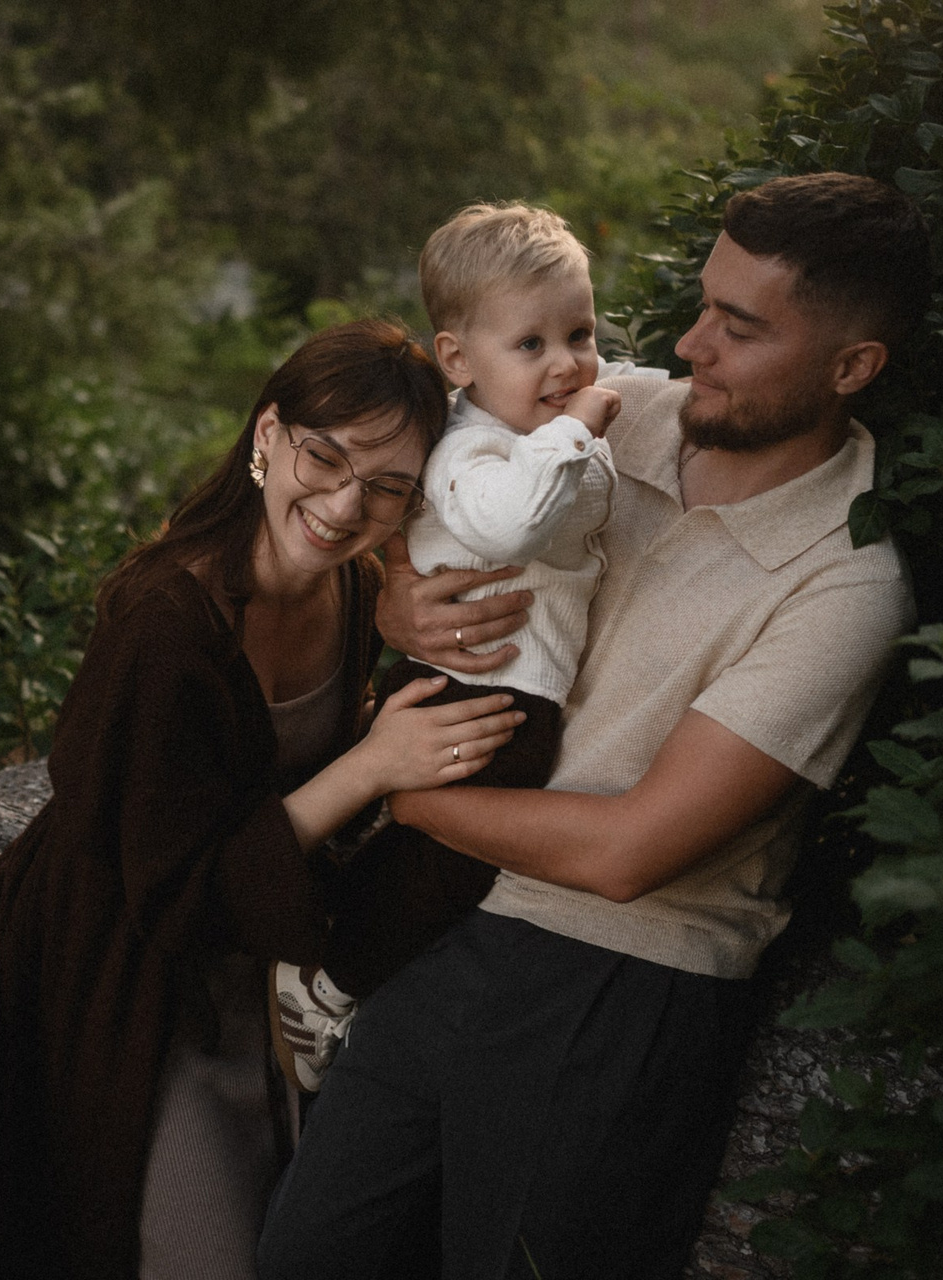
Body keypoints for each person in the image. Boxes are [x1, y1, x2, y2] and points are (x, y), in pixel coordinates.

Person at [259, 171, 929, 1279]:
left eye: (739, 327)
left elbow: (630, 853)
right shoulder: (621, 411)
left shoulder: (847, 585)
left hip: (615, 990)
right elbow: (423, 486)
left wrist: (397, 787)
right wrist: (397, 590)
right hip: (441, 922)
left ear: (851, 366)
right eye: (704, 305)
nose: (691, 343)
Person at [0, 319, 526, 1280]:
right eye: (325, 457)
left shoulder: (354, 591)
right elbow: (174, 882)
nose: (344, 505)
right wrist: (371, 765)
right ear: (268, 434)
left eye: (387, 487)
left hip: (264, 950)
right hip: (127, 957)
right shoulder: (165, 624)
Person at [268, 202, 668, 1093]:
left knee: (438, 854)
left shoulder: (536, 425)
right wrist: (578, 426)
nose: (567, 363)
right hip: (473, 688)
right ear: (458, 360)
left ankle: (328, 931)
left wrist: (587, 408)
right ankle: (326, 978)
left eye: (580, 334)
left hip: (502, 688)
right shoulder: (471, 449)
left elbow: (610, 406)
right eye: (531, 344)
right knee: (449, 868)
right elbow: (512, 524)